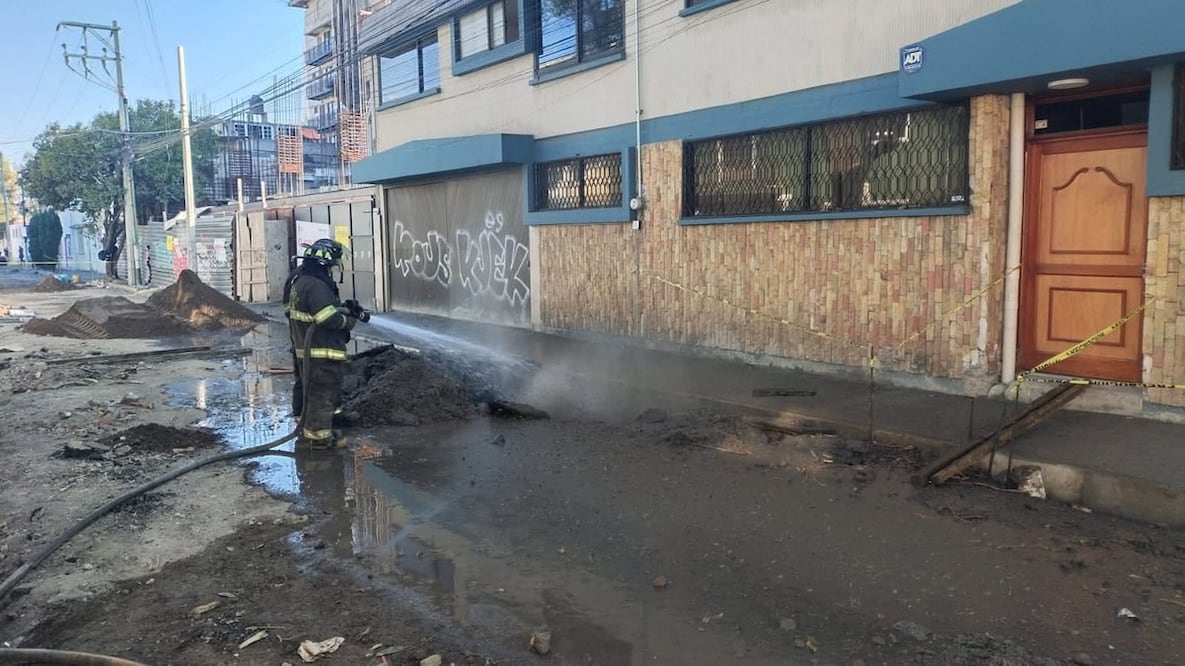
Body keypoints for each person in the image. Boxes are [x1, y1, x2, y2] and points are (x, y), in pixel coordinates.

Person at [283, 238, 356, 450]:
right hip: (320, 349)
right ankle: (319, 438)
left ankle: (309, 421)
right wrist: (349, 319)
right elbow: (328, 318)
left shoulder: (298, 279)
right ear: (324, 264)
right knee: (322, 390)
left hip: (303, 346)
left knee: (307, 387)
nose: (333, 269)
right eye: (332, 265)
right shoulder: (315, 285)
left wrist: (341, 307)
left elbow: (292, 310)